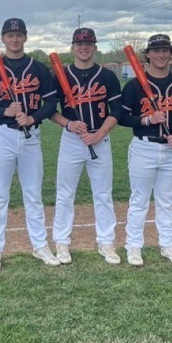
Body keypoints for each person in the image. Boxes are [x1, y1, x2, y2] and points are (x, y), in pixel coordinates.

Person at [0, 17, 59, 271]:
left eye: (19, 34)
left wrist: (33, 116)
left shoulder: (39, 69)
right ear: (3, 39)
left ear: (25, 37)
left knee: (33, 194)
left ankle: (40, 245)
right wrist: (4, 111)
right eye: (10, 35)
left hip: (31, 137)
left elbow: (51, 103)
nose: (14, 39)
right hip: (3, 136)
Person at [50, 27, 123, 265]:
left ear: (95, 47)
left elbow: (118, 111)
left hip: (100, 140)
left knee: (103, 194)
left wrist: (100, 133)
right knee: (65, 193)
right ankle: (61, 242)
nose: (84, 47)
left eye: (88, 43)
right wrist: (68, 124)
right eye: (80, 44)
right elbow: (50, 111)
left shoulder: (107, 76)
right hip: (71, 140)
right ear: (72, 47)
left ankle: (106, 242)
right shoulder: (61, 74)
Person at [119, 34, 172, 266]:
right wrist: (148, 120)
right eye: (156, 50)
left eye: (165, 50)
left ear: (171, 54)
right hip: (144, 147)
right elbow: (122, 117)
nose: (161, 55)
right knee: (139, 199)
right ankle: (133, 246)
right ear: (148, 54)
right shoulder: (134, 85)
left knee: (166, 200)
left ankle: (168, 245)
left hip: (171, 151)